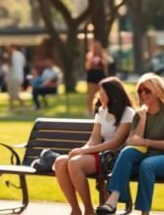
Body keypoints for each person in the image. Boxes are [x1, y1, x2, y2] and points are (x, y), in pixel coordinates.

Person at [96, 73, 164, 215]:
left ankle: (144, 212)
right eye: (140, 91)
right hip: (147, 155)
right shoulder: (139, 114)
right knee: (127, 152)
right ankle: (113, 200)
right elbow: (132, 142)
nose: (143, 94)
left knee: (147, 165)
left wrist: (145, 142)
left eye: (147, 90)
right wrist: (143, 119)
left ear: (158, 91)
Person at [54, 77, 135, 215]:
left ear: (113, 94)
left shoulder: (128, 112)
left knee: (74, 163)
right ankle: (75, 209)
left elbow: (115, 143)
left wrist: (85, 151)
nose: (99, 95)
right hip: (99, 152)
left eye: (102, 92)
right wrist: (82, 150)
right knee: (60, 162)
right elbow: (94, 139)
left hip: (113, 157)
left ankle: (88, 210)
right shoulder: (102, 111)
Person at [85, 41, 112, 117]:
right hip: (92, 76)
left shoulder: (103, 55)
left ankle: (103, 109)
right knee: (90, 94)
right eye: (94, 47)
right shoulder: (89, 55)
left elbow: (106, 65)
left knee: (102, 93)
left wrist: (100, 61)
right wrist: (91, 60)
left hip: (100, 76)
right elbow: (87, 67)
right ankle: (89, 110)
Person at [6, 44, 26, 110]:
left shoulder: (17, 55)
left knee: (15, 94)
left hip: (17, 76)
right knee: (10, 93)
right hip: (11, 76)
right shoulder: (13, 55)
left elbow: (11, 64)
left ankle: (22, 105)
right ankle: (11, 107)